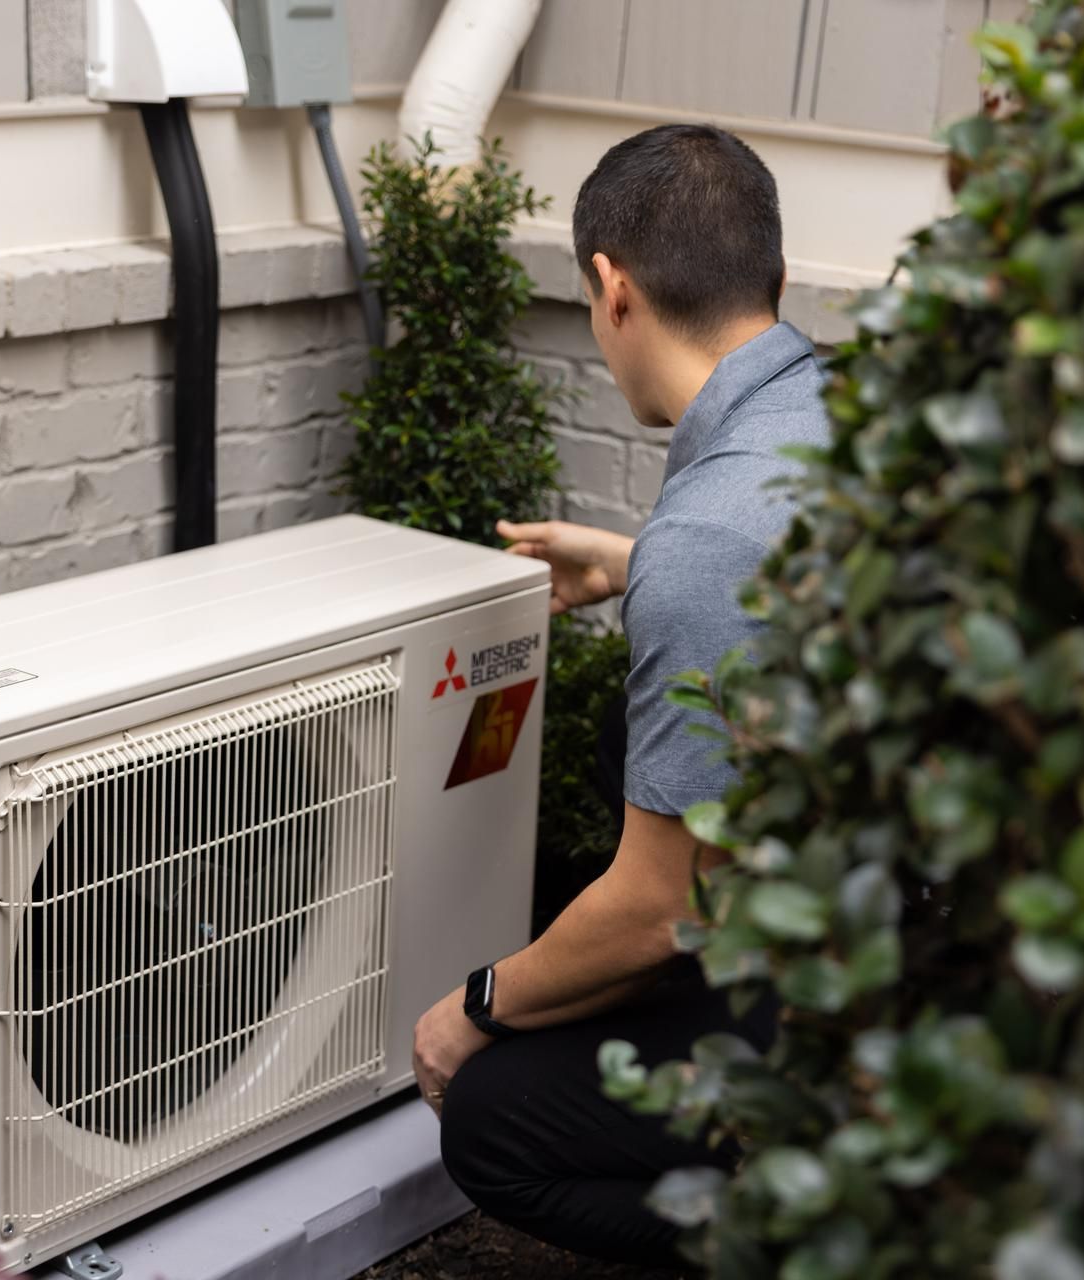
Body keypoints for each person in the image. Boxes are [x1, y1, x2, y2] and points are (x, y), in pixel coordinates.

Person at [411, 123, 833, 1267]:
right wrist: (633, 556)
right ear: (776, 282)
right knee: (621, 731)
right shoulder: (837, 404)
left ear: (611, 289)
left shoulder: (710, 543)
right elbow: (773, 562)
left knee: (495, 1122)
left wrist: (476, 1006)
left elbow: (658, 911)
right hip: (911, 901)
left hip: (843, 1002)